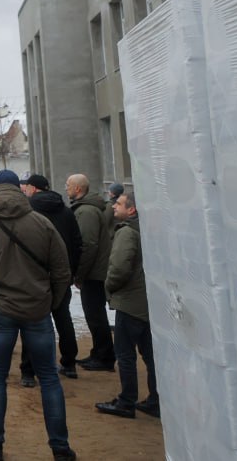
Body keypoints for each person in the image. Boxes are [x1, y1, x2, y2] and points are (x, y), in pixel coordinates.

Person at [0, 169, 75, 461]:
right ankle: (60, 447)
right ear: (19, 189)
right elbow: (62, 270)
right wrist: (51, 302)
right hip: (37, 308)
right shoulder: (41, 223)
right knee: (49, 378)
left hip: (0, 308)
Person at [96, 189, 159, 419]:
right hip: (145, 301)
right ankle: (156, 399)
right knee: (151, 354)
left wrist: (110, 286)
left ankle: (126, 401)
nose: (114, 206)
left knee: (125, 354)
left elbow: (120, 268)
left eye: (119, 204)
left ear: (131, 209)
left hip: (130, 301)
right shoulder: (148, 228)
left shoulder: (127, 233)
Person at [18, 174, 82, 384]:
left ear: (34, 190)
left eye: (27, 187)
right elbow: (77, 243)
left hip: (34, 277)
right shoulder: (66, 211)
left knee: (32, 322)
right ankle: (70, 363)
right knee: (63, 319)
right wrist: (71, 271)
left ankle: (28, 372)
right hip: (62, 276)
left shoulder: (27, 212)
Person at [65, 173, 116, 371]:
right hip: (96, 271)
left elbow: (87, 245)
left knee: (95, 315)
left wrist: (80, 273)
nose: (66, 188)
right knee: (94, 315)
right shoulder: (88, 208)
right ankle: (99, 352)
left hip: (95, 273)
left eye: (69, 185)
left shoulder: (86, 212)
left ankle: (104, 356)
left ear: (78, 189)